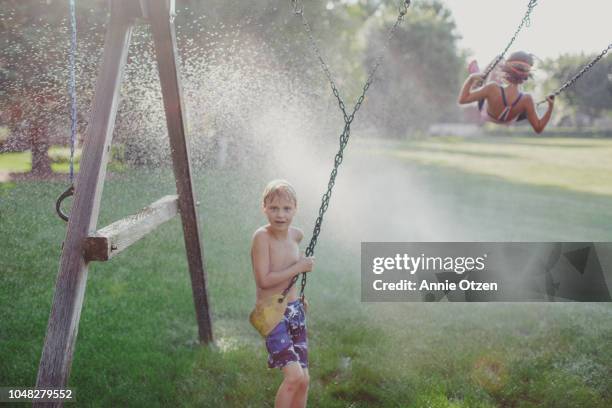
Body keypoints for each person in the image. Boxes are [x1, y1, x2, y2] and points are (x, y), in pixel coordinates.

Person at [251, 179, 314, 408]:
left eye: (287, 209)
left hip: (294, 311)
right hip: (272, 314)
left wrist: (298, 299)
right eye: (274, 208)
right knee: (293, 377)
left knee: (304, 380)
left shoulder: (296, 235)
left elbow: (289, 273)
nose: (280, 215)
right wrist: (299, 267)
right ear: (264, 208)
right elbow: (264, 280)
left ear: (295, 209)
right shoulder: (262, 237)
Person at [458, 51, 555, 133]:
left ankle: (479, 77)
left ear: (506, 70)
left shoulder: (492, 88)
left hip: (487, 114)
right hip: (510, 120)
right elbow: (538, 128)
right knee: (497, 82)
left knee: (497, 63)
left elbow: (462, 100)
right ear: (526, 76)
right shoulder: (527, 99)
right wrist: (550, 107)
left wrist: (470, 79)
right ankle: (479, 79)